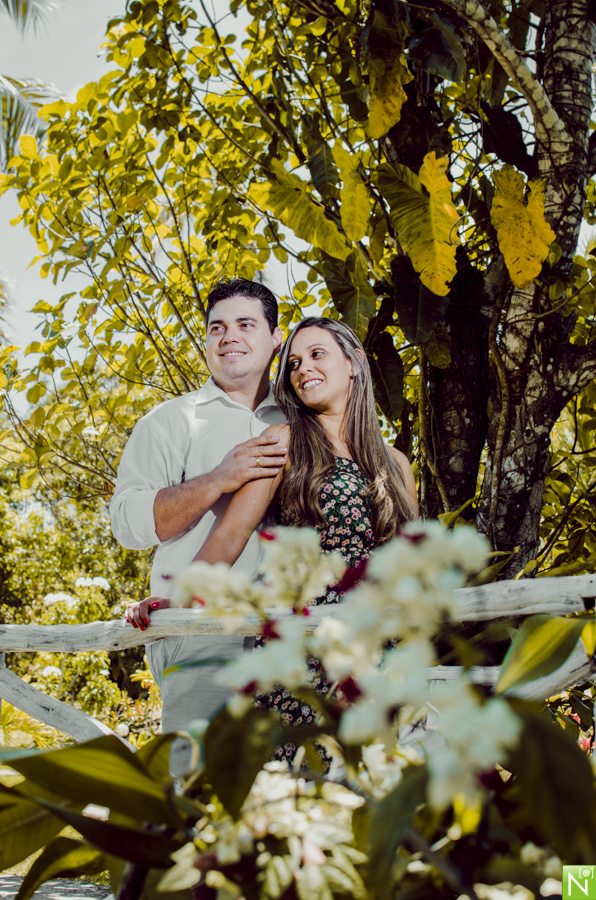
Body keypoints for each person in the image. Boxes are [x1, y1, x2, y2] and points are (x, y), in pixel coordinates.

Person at [192, 316, 418, 761]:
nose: (302, 369)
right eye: (293, 362)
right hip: (306, 649)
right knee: (303, 797)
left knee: (379, 796)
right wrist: (173, 595)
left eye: (317, 355)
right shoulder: (284, 441)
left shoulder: (397, 464)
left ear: (353, 364)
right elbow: (232, 533)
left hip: (383, 653)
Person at [110, 278, 287, 771]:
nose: (229, 336)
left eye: (245, 324)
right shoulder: (170, 421)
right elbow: (128, 524)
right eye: (217, 328)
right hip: (202, 629)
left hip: (295, 634)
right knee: (194, 793)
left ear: (275, 339)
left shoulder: (305, 418)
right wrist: (217, 479)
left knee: (290, 803)